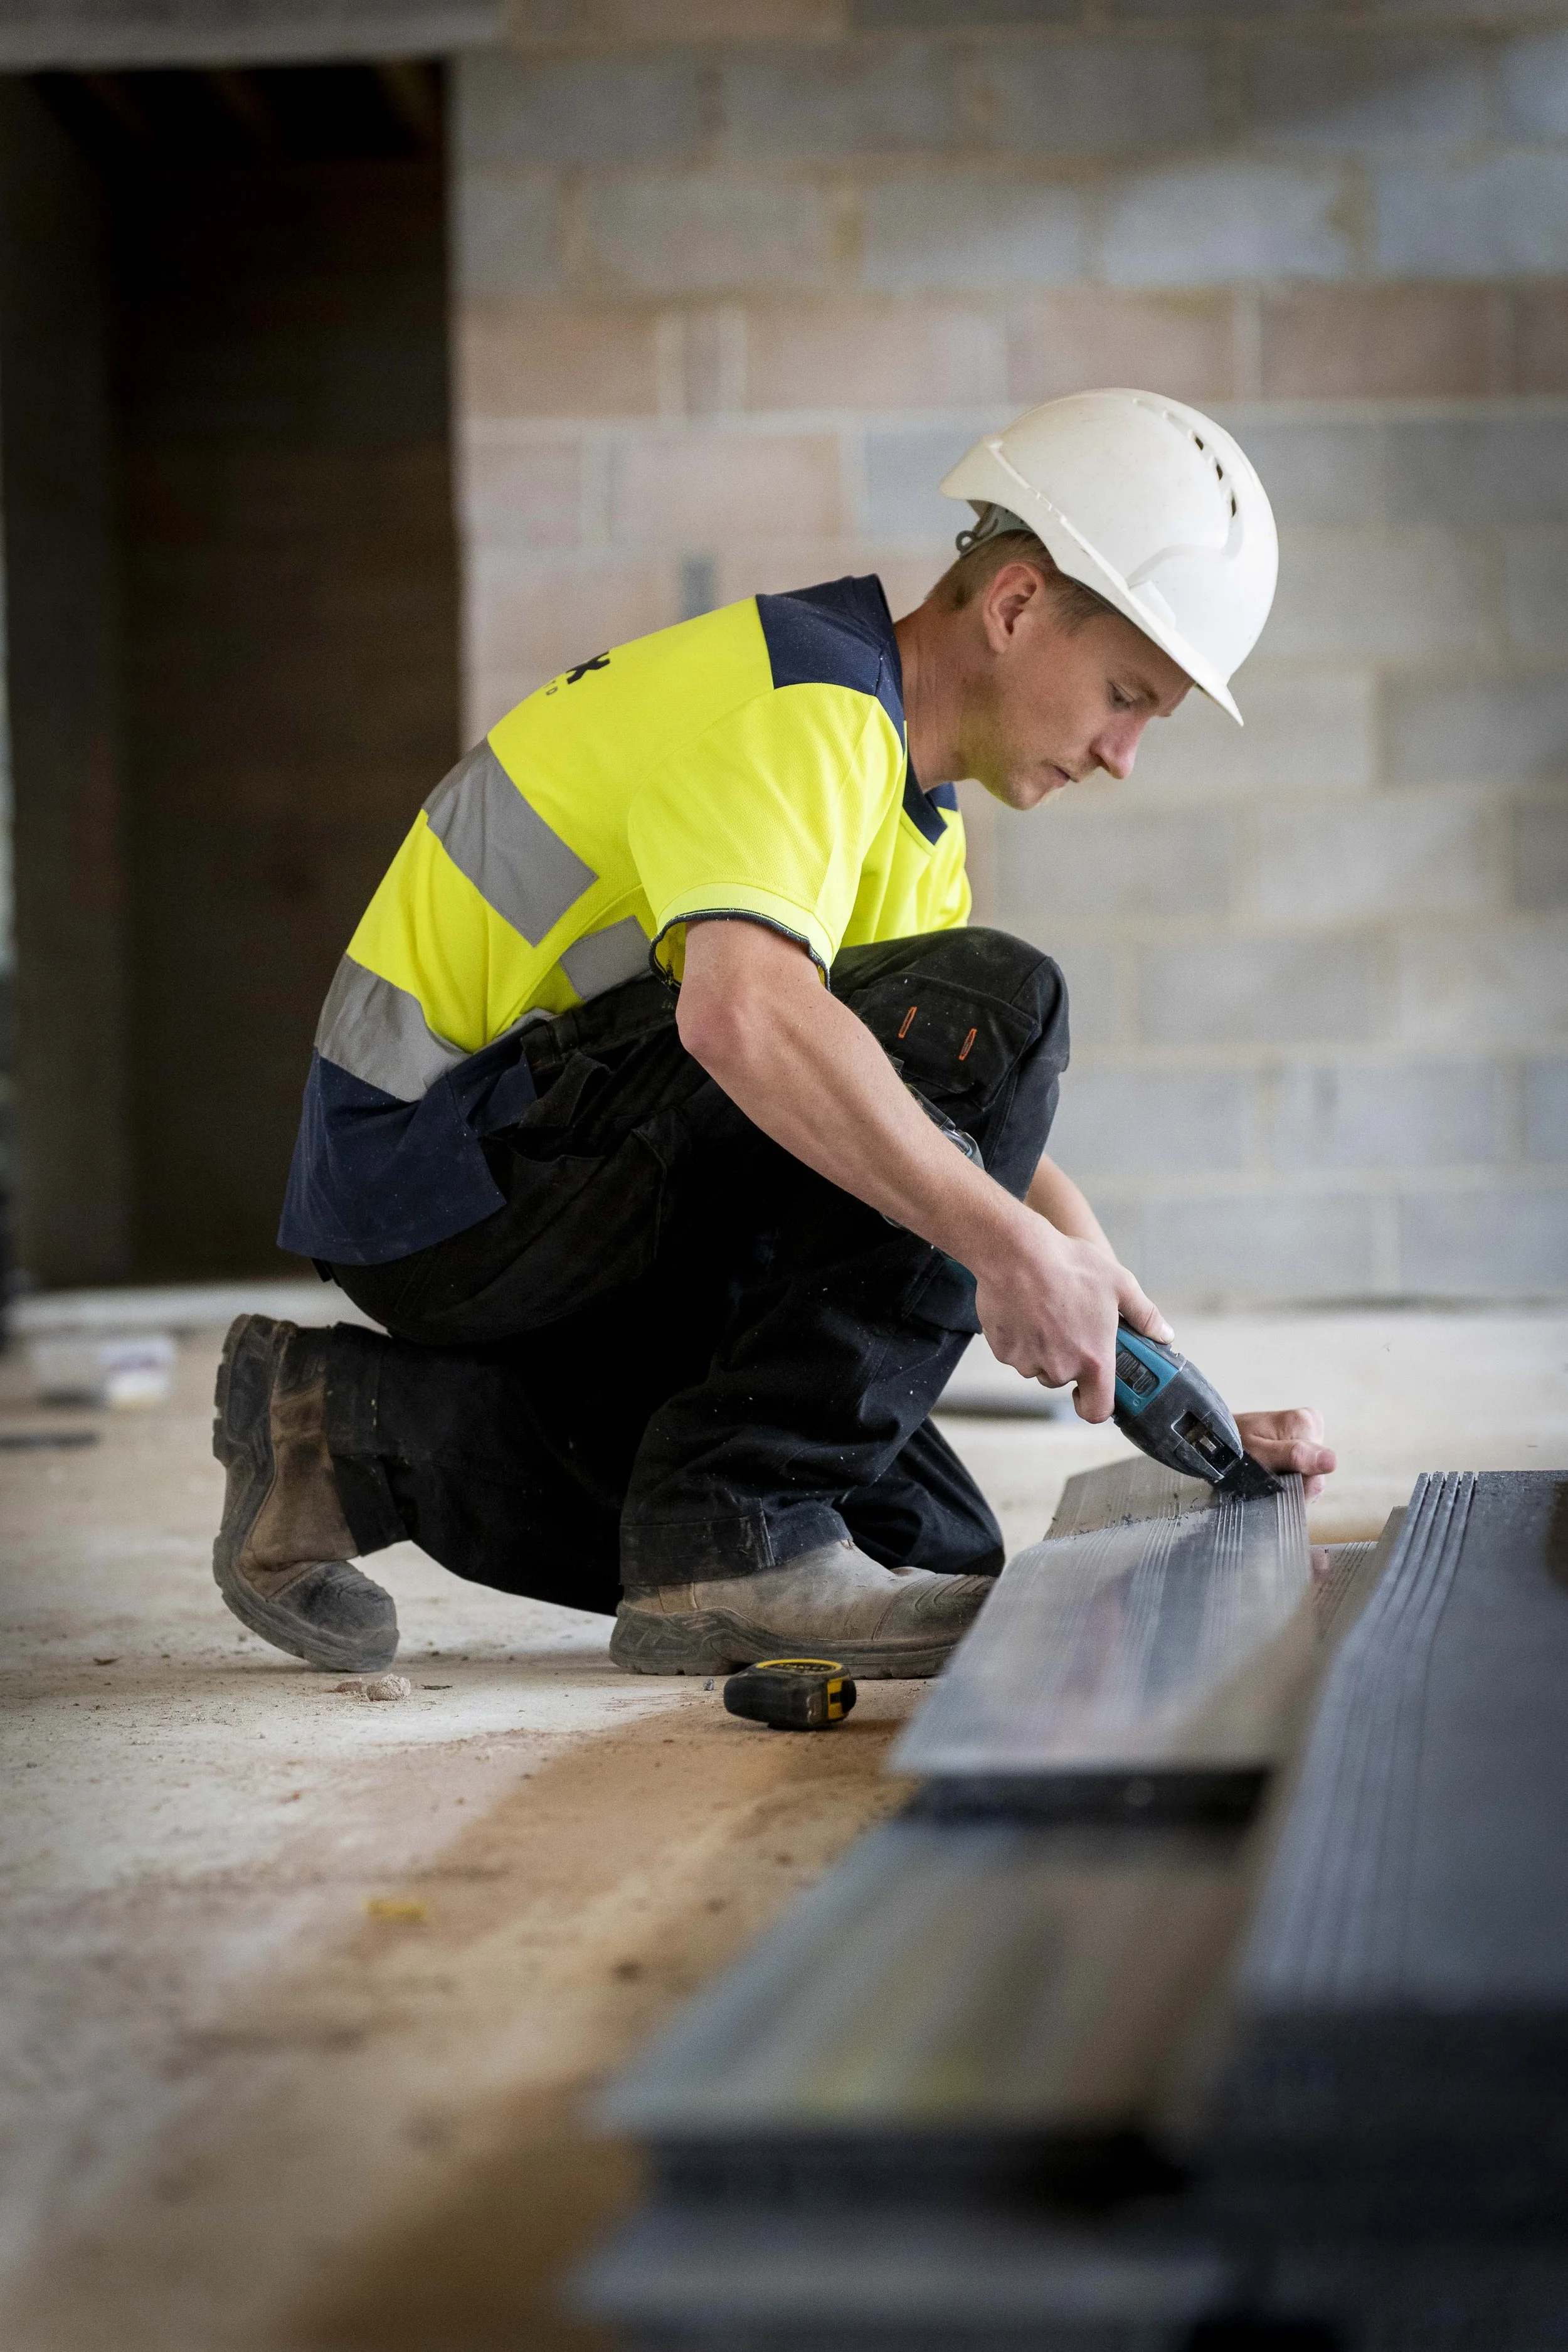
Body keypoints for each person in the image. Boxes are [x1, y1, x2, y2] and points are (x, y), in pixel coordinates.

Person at [211, 389, 1335, 1681]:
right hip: (436, 1165)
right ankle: (732, 1544)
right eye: (1124, 695)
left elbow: (929, 1115)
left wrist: (1148, 1363)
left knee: (919, 1547)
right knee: (1006, 1011)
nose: (1126, 756)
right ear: (1015, 604)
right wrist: (1004, 1250)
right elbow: (741, 1015)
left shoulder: (909, 817)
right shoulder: (803, 704)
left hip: (532, 1173)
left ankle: (346, 1432)